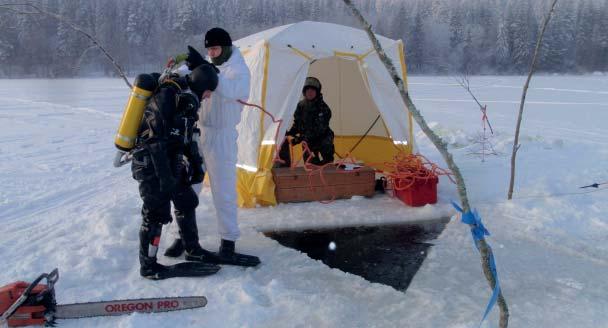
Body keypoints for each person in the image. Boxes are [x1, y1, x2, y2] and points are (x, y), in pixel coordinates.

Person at [164, 27, 260, 267]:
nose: (212, 53)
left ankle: (228, 243)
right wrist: (178, 67)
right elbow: (189, 74)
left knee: (223, 191)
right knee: (188, 189)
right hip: (199, 134)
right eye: (209, 49)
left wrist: (206, 71)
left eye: (215, 48)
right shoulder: (210, 63)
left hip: (222, 137)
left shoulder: (240, 70)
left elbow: (227, 88)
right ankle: (181, 237)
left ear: (226, 48)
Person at [131, 62, 222, 280]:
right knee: (155, 214)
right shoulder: (167, 96)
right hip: (151, 163)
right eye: (209, 91)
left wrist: (196, 163)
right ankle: (149, 265)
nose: (208, 97)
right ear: (202, 85)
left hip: (171, 161)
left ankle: (193, 250)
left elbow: (187, 135)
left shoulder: (188, 101)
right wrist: (165, 178)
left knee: (186, 201)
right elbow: (154, 141)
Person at [279, 76, 335, 167]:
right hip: (308, 142)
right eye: (307, 90)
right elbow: (298, 123)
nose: (310, 92)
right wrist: (289, 133)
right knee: (310, 165)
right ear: (304, 92)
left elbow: (319, 129)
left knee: (327, 165)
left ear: (317, 92)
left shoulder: (323, 108)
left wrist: (299, 139)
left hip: (323, 139)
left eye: (312, 90)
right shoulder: (301, 106)